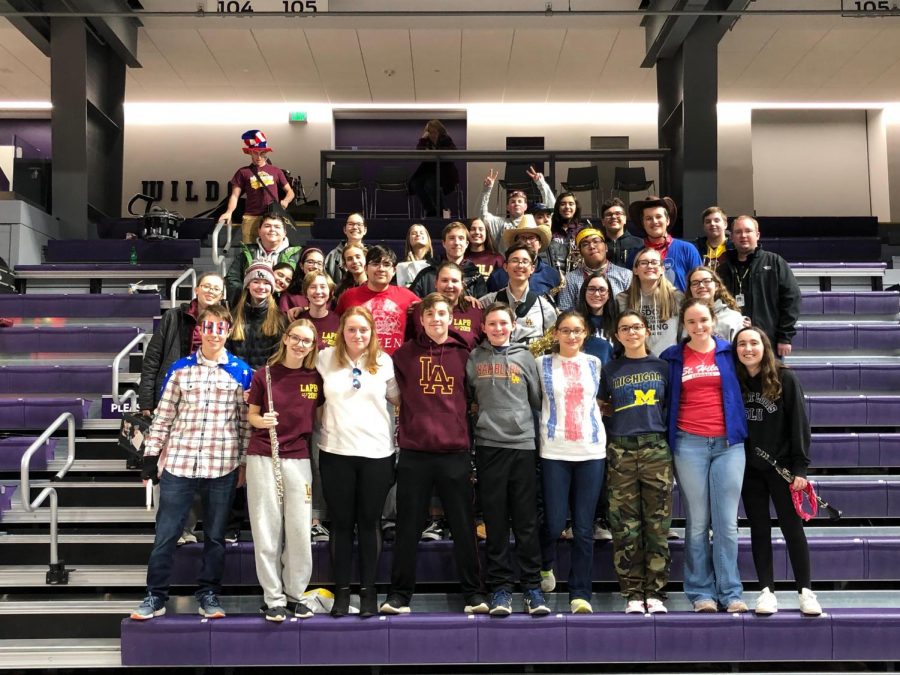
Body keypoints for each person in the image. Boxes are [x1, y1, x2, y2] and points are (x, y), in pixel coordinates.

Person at [130, 304, 252, 621]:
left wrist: (242, 463)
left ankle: (208, 594)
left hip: (222, 466)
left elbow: (244, 425)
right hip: (179, 464)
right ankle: (154, 596)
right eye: (207, 326)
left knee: (215, 537)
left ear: (228, 331)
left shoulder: (241, 371)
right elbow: (163, 418)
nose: (214, 333)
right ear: (199, 330)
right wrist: (150, 456)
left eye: (220, 327)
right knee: (166, 535)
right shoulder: (180, 370)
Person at [380, 293, 488, 616]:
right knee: (408, 527)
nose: (437, 319)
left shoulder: (465, 354)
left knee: (463, 526)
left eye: (442, 313)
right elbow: (393, 397)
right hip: (415, 452)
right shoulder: (402, 356)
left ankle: (473, 593)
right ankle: (399, 595)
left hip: (454, 451)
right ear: (422, 319)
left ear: (450, 317)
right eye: (430, 315)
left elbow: (472, 397)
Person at [659, 298, 748, 613]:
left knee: (726, 522)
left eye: (703, 320)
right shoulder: (672, 357)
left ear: (713, 321)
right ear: (684, 324)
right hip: (689, 443)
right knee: (697, 522)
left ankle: (731, 591)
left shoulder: (728, 352)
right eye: (691, 321)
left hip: (729, 445)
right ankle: (701, 593)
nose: (698, 327)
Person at [316, 306, 399, 617]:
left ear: (372, 333)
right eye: (351, 329)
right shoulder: (325, 359)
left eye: (363, 330)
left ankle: (367, 591)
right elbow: (310, 396)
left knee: (369, 523)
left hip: (377, 454)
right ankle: (341, 592)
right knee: (340, 524)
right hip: (335, 452)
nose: (358, 335)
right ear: (342, 332)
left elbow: (398, 398)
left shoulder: (384, 361)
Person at [733, 327, 822, 617]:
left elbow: (800, 424)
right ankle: (766, 591)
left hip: (782, 468)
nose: (748, 348)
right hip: (749, 470)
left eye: (753, 343)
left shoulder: (785, 377)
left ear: (765, 346)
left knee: (792, 529)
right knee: (759, 530)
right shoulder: (735, 380)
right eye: (742, 344)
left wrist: (800, 468)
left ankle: (805, 591)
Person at [466, 302, 547, 616]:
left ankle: (532, 588)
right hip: (489, 447)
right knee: (496, 522)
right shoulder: (474, 359)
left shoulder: (525, 357)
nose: (498, 329)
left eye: (503, 323)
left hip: (523, 447)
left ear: (513, 325)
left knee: (526, 522)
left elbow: (536, 399)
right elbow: (471, 398)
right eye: (492, 324)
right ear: (484, 327)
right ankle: (500, 588)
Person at [138, 271, 226, 546]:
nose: (211, 291)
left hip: (205, 403)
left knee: (197, 469)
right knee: (170, 470)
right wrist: (147, 401)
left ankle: (188, 528)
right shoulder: (174, 317)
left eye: (216, 289)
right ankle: (171, 530)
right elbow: (153, 358)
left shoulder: (223, 322)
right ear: (197, 289)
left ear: (222, 295)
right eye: (207, 286)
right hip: (170, 399)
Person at [246, 318, 323, 621]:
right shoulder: (264, 375)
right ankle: (273, 597)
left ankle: (294, 593)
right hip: (264, 456)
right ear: (286, 339)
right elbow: (251, 414)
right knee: (267, 530)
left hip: (299, 458)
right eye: (296, 338)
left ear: (312, 346)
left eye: (307, 340)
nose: (300, 344)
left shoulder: (315, 378)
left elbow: (320, 419)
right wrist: (261, 421)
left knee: (299, 531)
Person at [600, 310, 672, 614]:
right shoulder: (610, 369)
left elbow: (670, 407)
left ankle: (654, 591)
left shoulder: (662, 367)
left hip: (656, 449)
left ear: (646, 331)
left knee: (656, 525)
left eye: (637, 327)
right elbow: (603, 410)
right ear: (617, 335)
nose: (631, 333)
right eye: (625, 329)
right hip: (621, 451)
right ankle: (631, 591)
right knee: (625, 526)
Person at [537, 311, 607, 614]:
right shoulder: (540, 365)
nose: (572, 336)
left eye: (577, 331)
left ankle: (580, 592)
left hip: (590, 451)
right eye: (565, 330)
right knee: (553, 523)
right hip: (554, 450)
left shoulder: (595, 364)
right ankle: (545, 564)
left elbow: (601, 403)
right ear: (556, 334)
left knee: (583, 528)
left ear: (585, 334)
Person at [716, 215, 801, 359]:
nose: (743, 235)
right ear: (732, 237)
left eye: (748, 231)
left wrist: (785, 337)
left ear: (757, 235)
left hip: (767, 341)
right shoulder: (723, 269)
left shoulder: (775, 262)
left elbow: (791, 299)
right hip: (732, 342)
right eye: (738, 232)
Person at [335, 245, 419, 356]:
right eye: (375, 264)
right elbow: (336, 328)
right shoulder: (348, 296)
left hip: (394, 365)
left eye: (386, 264)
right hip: (358, 365)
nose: (381, 269)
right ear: (365, 269)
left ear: (394, 271)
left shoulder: (407, 296)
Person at [220, 130, 295, 244]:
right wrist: (229, 212)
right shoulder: (243, 172)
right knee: (250, 251)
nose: (258, 157)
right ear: (250, 153)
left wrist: (285, 201)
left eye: (261, 153)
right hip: (251, 217)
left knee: (274, 249)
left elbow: (290, 192)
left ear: (266, 153)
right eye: (255, 153)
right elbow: (235, 196)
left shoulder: (276, 171)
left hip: (272, 217)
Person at [479, 243, 558, 348]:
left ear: (532, 269)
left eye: (525, 261)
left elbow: (553, 342)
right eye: (515, 260)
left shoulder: (544, 308)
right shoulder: (488, 301)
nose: (520, 265)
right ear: (505, 267)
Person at [625, 196, 702, 293]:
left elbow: (700, 286)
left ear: (667, 220)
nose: (654, 221)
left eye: (658, 216)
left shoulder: (687, 250)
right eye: (648, 218)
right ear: (643, 224)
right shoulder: (635, 257)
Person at [615, 248, 683, 357]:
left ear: (662, 269)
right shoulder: (622, 299)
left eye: (654, 262)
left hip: (670, 361)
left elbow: (684, 335)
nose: (650, 266)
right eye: (644, 263)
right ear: (635, 270)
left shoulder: (677, 297)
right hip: (637, 361)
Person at [225, 214, 301, 306]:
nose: (272, 229)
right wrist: (252, 294)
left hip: (282, 309)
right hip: (249, 307)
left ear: (285, 233)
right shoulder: (246, 253)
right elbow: (232, 280)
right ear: (259, 231)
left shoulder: (297, 255)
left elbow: (300, 285)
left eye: (277, 227)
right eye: (267, 226)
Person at [407, 261, 484, 350]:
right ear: (435, 284)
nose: (450, 285)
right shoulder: (420, 309)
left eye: (454, 281)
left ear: (462, 285)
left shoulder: (475, 311)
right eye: (444, 280)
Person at [479, 167, 555, 253]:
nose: (516, 204)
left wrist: (541, 184)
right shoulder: (500, 223)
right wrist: (486, 190)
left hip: (529, 263)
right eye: (513, 202)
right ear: (507, 207)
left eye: (520, 201)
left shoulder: (533, 222)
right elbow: (482, 215)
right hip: (506, 264)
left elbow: (551, 209)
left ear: (526, 206)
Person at [226, 262, 286, 371]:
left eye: (266, 283)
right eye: (256, 282)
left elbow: (278, 357)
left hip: (265, 381)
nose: (261, 287)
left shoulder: (280, 319)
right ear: (248, 285)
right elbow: (226, 353)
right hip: (235, 378)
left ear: (272, 287)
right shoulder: (233, 316)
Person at [557, 227, 631, 311]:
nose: (592, 246)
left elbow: (633, 309)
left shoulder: (626, 275)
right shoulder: (570, 279)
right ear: (580, 252)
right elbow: (565, 312)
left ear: (606, 247)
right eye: (585, 244)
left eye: (596, 241)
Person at [409, 221, 487, 299]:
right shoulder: (426, 274)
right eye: (452, 238)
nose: (456, 242)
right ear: (444, 243)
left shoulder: (475, 276)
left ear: (466, 244)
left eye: (461, 238)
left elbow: (482, 308)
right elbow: (412, 304)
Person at [487, 215, 561, 296]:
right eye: (522, 238)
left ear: (539, 244)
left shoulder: (552, 274)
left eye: (531, 238)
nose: (527, 242)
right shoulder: (497, 276)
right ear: (515, 243)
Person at [408, 120, 459, 217]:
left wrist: (436, 150)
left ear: (439, 131)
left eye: (434, 132)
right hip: (429, 172)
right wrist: (422, 139)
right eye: (430, 132)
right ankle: (431, 210)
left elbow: (453, 151)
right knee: (415, 184)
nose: (432, 135)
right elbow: (419, 152)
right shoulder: (426, 141)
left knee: (430, 185)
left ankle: (443, 212)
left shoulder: (446, 139)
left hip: (445, 173)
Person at [684, 266, 746, 342]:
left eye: (706, 281)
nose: (701, 286)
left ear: (716, 286)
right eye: (695, 283)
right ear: (690, 289)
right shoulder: (684, 319)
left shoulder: (733, 318)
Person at [575, 272, 618, 365]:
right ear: (584, 291)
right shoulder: (573, 319)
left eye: (602, 290)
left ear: (609, 294)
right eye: (591, 289)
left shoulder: (617, 320)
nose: (597, 294)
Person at [323, 213, 367, 285]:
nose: (355, 227)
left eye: (359, 224)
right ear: (344, 230)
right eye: (351, 224)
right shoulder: (332, 256)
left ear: (365, 230)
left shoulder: (373, 254)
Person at [601, 198, 643, 269]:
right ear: (602, 221)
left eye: (618, 213)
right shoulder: (598, 245)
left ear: (625, 219)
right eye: (608, 214)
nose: (613, 217)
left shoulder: (640, 244)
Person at [464, 217, 505, 282]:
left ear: (486, 233)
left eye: (481, 229)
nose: (477, 232)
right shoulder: (461, 257)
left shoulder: (497, 258)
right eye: (473, 229)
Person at [694, 206, 733, 271]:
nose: (712, 224)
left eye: (716, 220)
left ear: (725, 224)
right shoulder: (696, 248)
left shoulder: (734, 247)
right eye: (708, 222)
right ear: (704, 226)